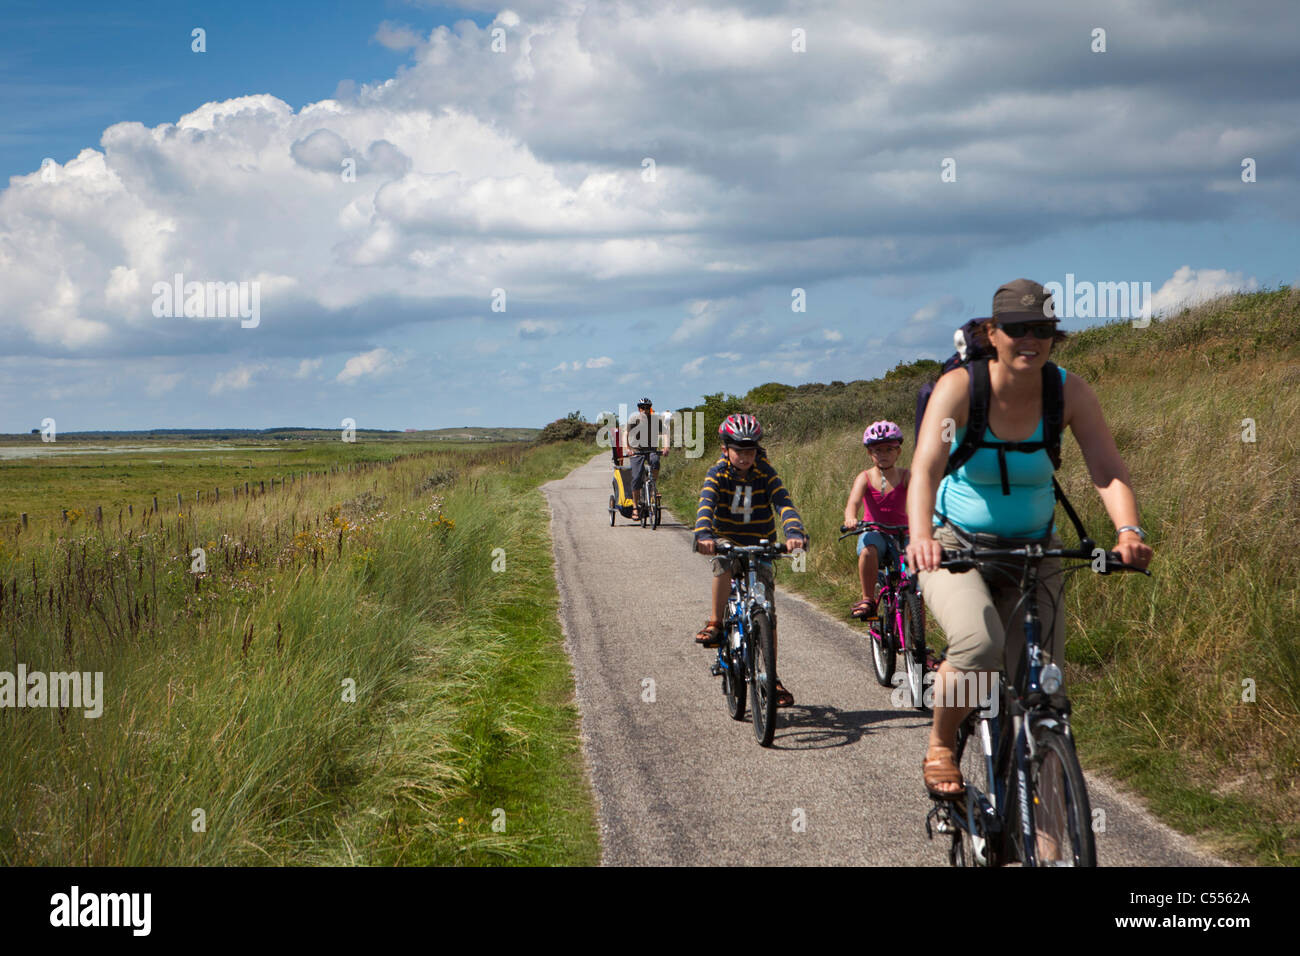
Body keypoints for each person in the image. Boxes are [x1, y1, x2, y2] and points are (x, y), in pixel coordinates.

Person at [905, 278, 1153, 800]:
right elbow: (925, 469)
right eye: (1017, 329)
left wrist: (1128, 532)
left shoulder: (1069, 391)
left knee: (1045, 688)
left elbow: (1106, 469)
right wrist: (921, 536)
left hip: (1036, 549)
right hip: (956, 546)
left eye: (1041, 329)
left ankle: (1048, 832)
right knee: (979, 645)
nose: (1030, 340)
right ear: (993, 334)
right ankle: (941, 743)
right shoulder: (962, 389)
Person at [694, 413, 807, 707]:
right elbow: (706, 504)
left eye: (750, 449)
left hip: (761, 542)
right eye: (738, 450)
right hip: (727, 541)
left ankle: (772, 676)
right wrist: (704, 534)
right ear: (725, 449)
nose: (745, 456)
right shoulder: (717, 473)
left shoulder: (765, 472)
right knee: (724, 566)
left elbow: (782, 501)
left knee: (766, 610)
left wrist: (794, 531)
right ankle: (716, 622)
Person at [843, 420, 910, 620]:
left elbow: (920, 498)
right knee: (867, 550)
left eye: (889, 449)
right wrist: (850, 518)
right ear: (869, 453)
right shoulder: (864, 477)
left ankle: (918, 640)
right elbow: (853, 503)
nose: (883, 454)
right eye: (877, 450)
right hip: (875, 531)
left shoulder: (906, 475)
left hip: (902, 532)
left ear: (898, 452)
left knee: (915, 583)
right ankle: (867, 599)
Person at [623, 397, 668, 520]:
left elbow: (664, 433)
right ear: (639, 409)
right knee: (636, 477)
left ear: (650, 408)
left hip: (651, 450)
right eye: (643, 408)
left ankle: (652, 485)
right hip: (636, 451)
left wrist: (666, 447)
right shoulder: (634, 419)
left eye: (647, 408)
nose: (645, 410)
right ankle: (635, 507)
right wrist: (627, 448)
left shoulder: (655, 419)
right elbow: (625, 433)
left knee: (655, 461)